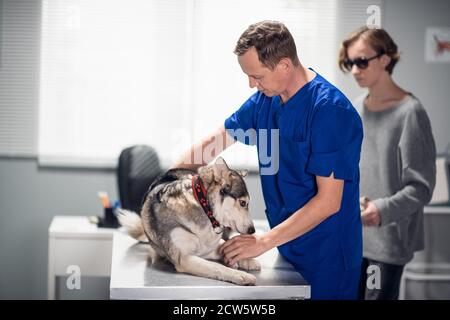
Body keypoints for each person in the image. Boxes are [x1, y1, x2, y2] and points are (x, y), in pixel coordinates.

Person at [172, 20, 363, 300]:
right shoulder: (265, 101)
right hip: (286, 247)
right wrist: (166, 190)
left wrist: (261, 242)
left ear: (285, 65)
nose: (252, 84)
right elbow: (212, 146)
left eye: (257, 76)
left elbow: (328, 202)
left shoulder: (331, 112)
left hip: (328, 257)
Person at [338, 26, 436, 300]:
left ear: (385, 59)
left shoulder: (410, 113)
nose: (355, 70)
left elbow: (422, 187)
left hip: (387, 245)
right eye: (349, 63)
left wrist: (380, 210)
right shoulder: (356, 108)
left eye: (361, 61)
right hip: (352, 239)